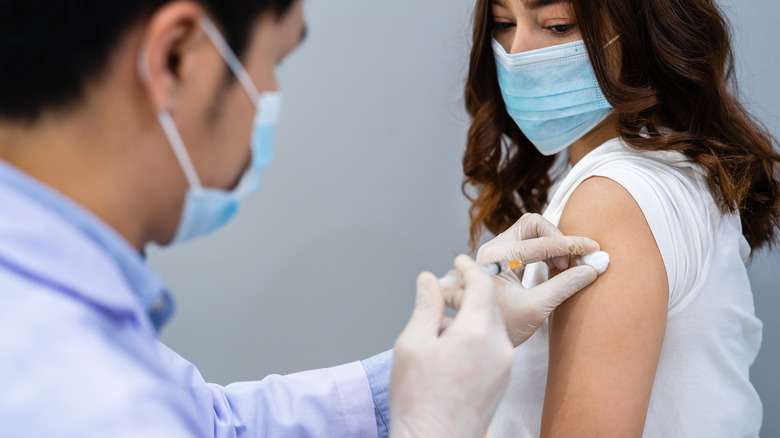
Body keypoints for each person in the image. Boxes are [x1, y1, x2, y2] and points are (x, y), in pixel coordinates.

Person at [0, 1, 603, 437]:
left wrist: (420, 374)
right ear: (176, 57)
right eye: (272, 63)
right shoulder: (88, 397)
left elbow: (216, 425)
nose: (267, 93)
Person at [462, 0, 780, 436]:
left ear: (641, 27)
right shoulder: (658, 172)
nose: (518, 52)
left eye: (557, 26)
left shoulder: (611, 200)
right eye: (502, 23)